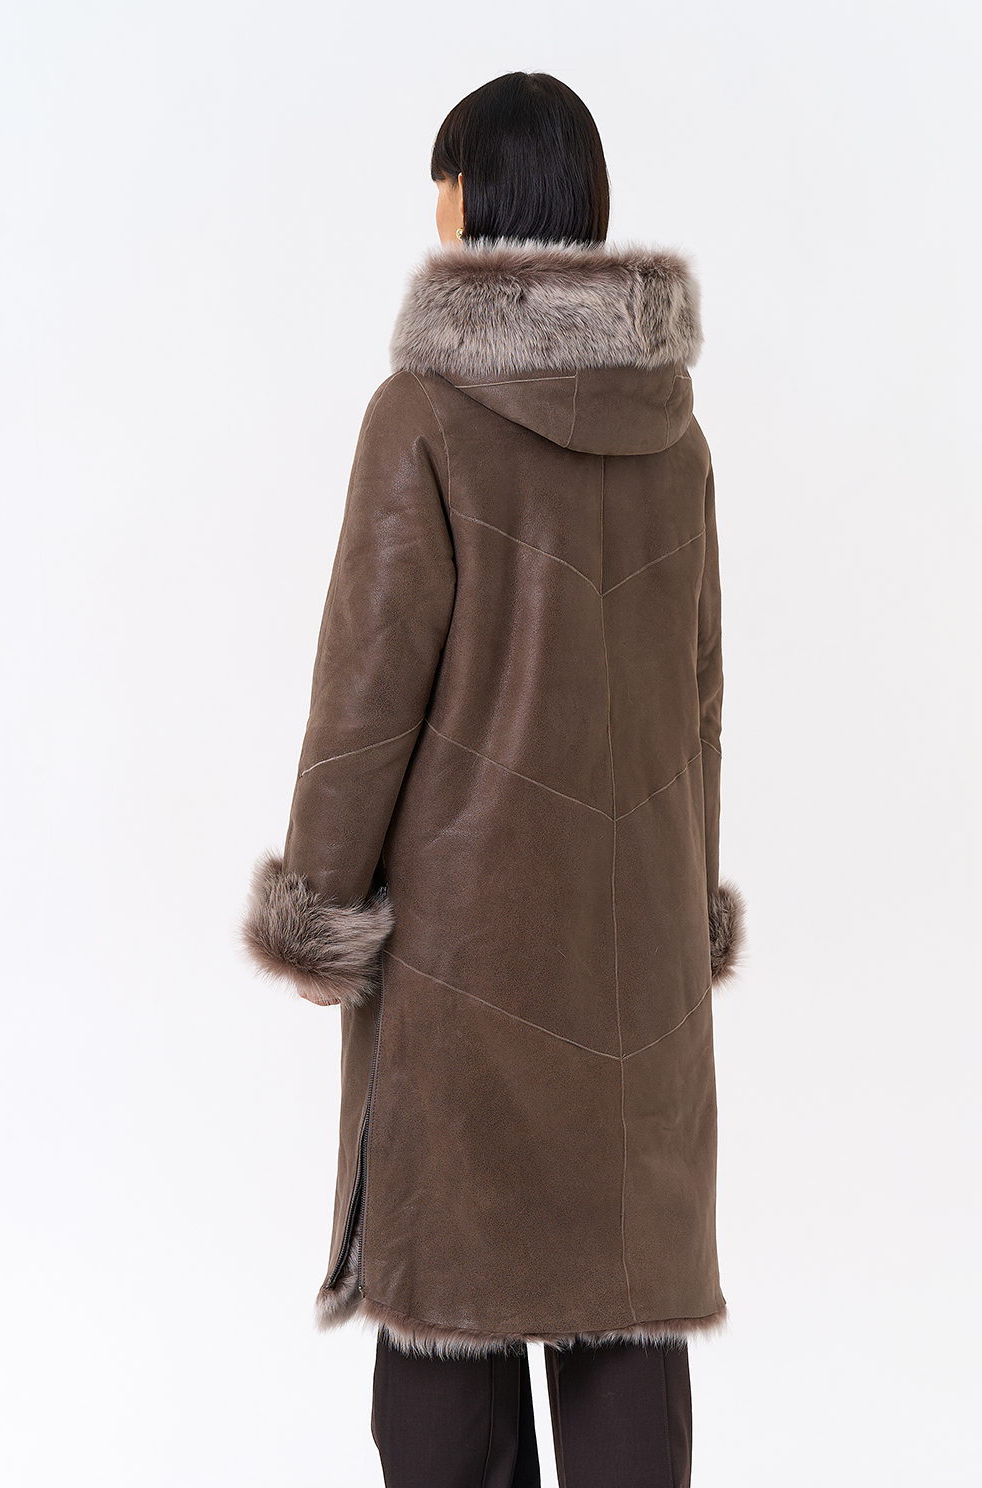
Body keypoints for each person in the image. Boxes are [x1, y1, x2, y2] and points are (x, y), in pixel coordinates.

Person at [242, 70, 745, 1488]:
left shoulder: (422, 414)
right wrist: (688, 905)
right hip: (635, 966)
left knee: (449, 1330)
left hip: (466, 967)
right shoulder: (675, 433)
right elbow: (700, 703)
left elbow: (365, 697)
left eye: (445, 182)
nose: (437, 211)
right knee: (624, 1314)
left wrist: (320, 904)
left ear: (481, 196)